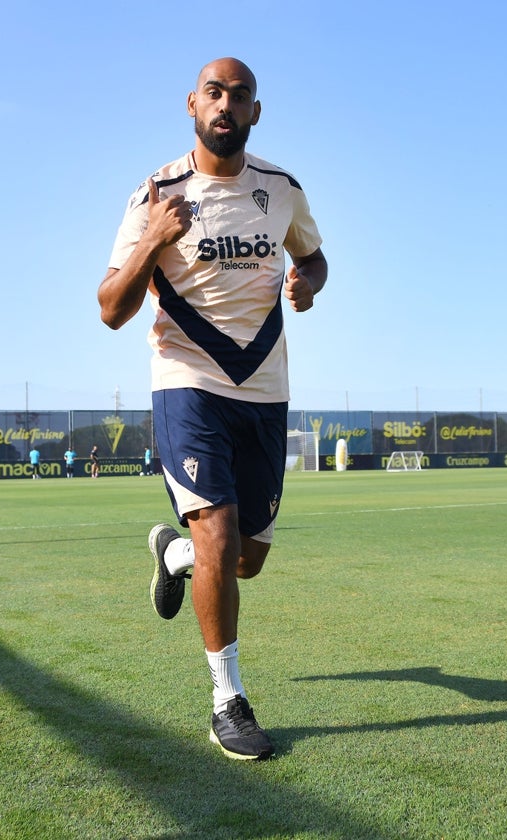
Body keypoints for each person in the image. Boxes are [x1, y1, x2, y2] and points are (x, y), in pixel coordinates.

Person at [98, 57, 327, 761]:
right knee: (221, 537)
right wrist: (153, 243)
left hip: (263, 391)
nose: (226, 104)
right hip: (186, 379)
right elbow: (111, 308)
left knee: (245, 561)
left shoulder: (281, 190)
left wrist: (308, 282)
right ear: (192, 105)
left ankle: (174, 554)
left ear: (256, 112)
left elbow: (316, 257)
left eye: (240, 95)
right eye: (214, 93)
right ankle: (228, 699)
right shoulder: (156, 192)